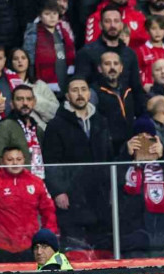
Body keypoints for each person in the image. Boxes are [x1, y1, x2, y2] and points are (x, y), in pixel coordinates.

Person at [42, 76, 114, 250]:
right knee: (75, 249)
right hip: (71, 197)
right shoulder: (56, 125)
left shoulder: (101, 121)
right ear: (67, 96)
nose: (80, 94)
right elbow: (51, 162)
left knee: (103, 250)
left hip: (99, 196)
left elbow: (108, 157)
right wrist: (58, 191)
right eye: (74, 90)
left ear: (89, 94)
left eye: (83, 89)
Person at [0, 146, 58, 263]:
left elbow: (48, 211)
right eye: (10, 160)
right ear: (2, 161)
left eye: (18, 159)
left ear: (24, 160)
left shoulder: (36, 182)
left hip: (31, 246)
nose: (15, 163)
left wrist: (48, 239)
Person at [118, 116, 164, 257]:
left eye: (148, 136)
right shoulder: (124, 159)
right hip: (133, 234)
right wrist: (125, 156)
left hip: (163, 232)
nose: (144, 140)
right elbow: (110, 181)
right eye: (139, 137)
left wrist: (163, 155)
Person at [74, 4, 144, 106]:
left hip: (126, 109)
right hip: (97, 110)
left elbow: (136, 87)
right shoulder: (86, 53)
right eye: (108, 21)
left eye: (116, 21)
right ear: (100, 25)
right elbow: (80, 85)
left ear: (121, 24)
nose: (112, 25)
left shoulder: (130, 54)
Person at [0, 85, 42, 177]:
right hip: (14, 185)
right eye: (19, 99)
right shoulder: (4, 127)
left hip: (38, 183)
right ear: (12, 103)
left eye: (29, 99)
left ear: (34, 102)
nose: (25, 103)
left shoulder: (38, 130)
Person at [23, 0, 75, 94]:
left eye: (55, 13)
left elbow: (70, 52)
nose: (52, 17)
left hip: (64, 77)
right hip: (43, 83)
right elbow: (29, 60)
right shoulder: (33, 33)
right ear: (40, 16)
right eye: (47, 14)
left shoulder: (63, 30)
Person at [93, 50, 140, 155]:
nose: (112, 67)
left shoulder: (129, 90)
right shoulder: (94, 91)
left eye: (116, 63)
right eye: (107, 64)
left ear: (121, 68)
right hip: (106, 148)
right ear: (100, 68)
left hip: (129, 145)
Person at [136, 15, 164, 91]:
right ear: (147, 31)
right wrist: (144, 84)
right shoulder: (140, 50)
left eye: (161, 28)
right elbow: (136, 72)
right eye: (154, 28)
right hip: (148, 91)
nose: (157, 32)